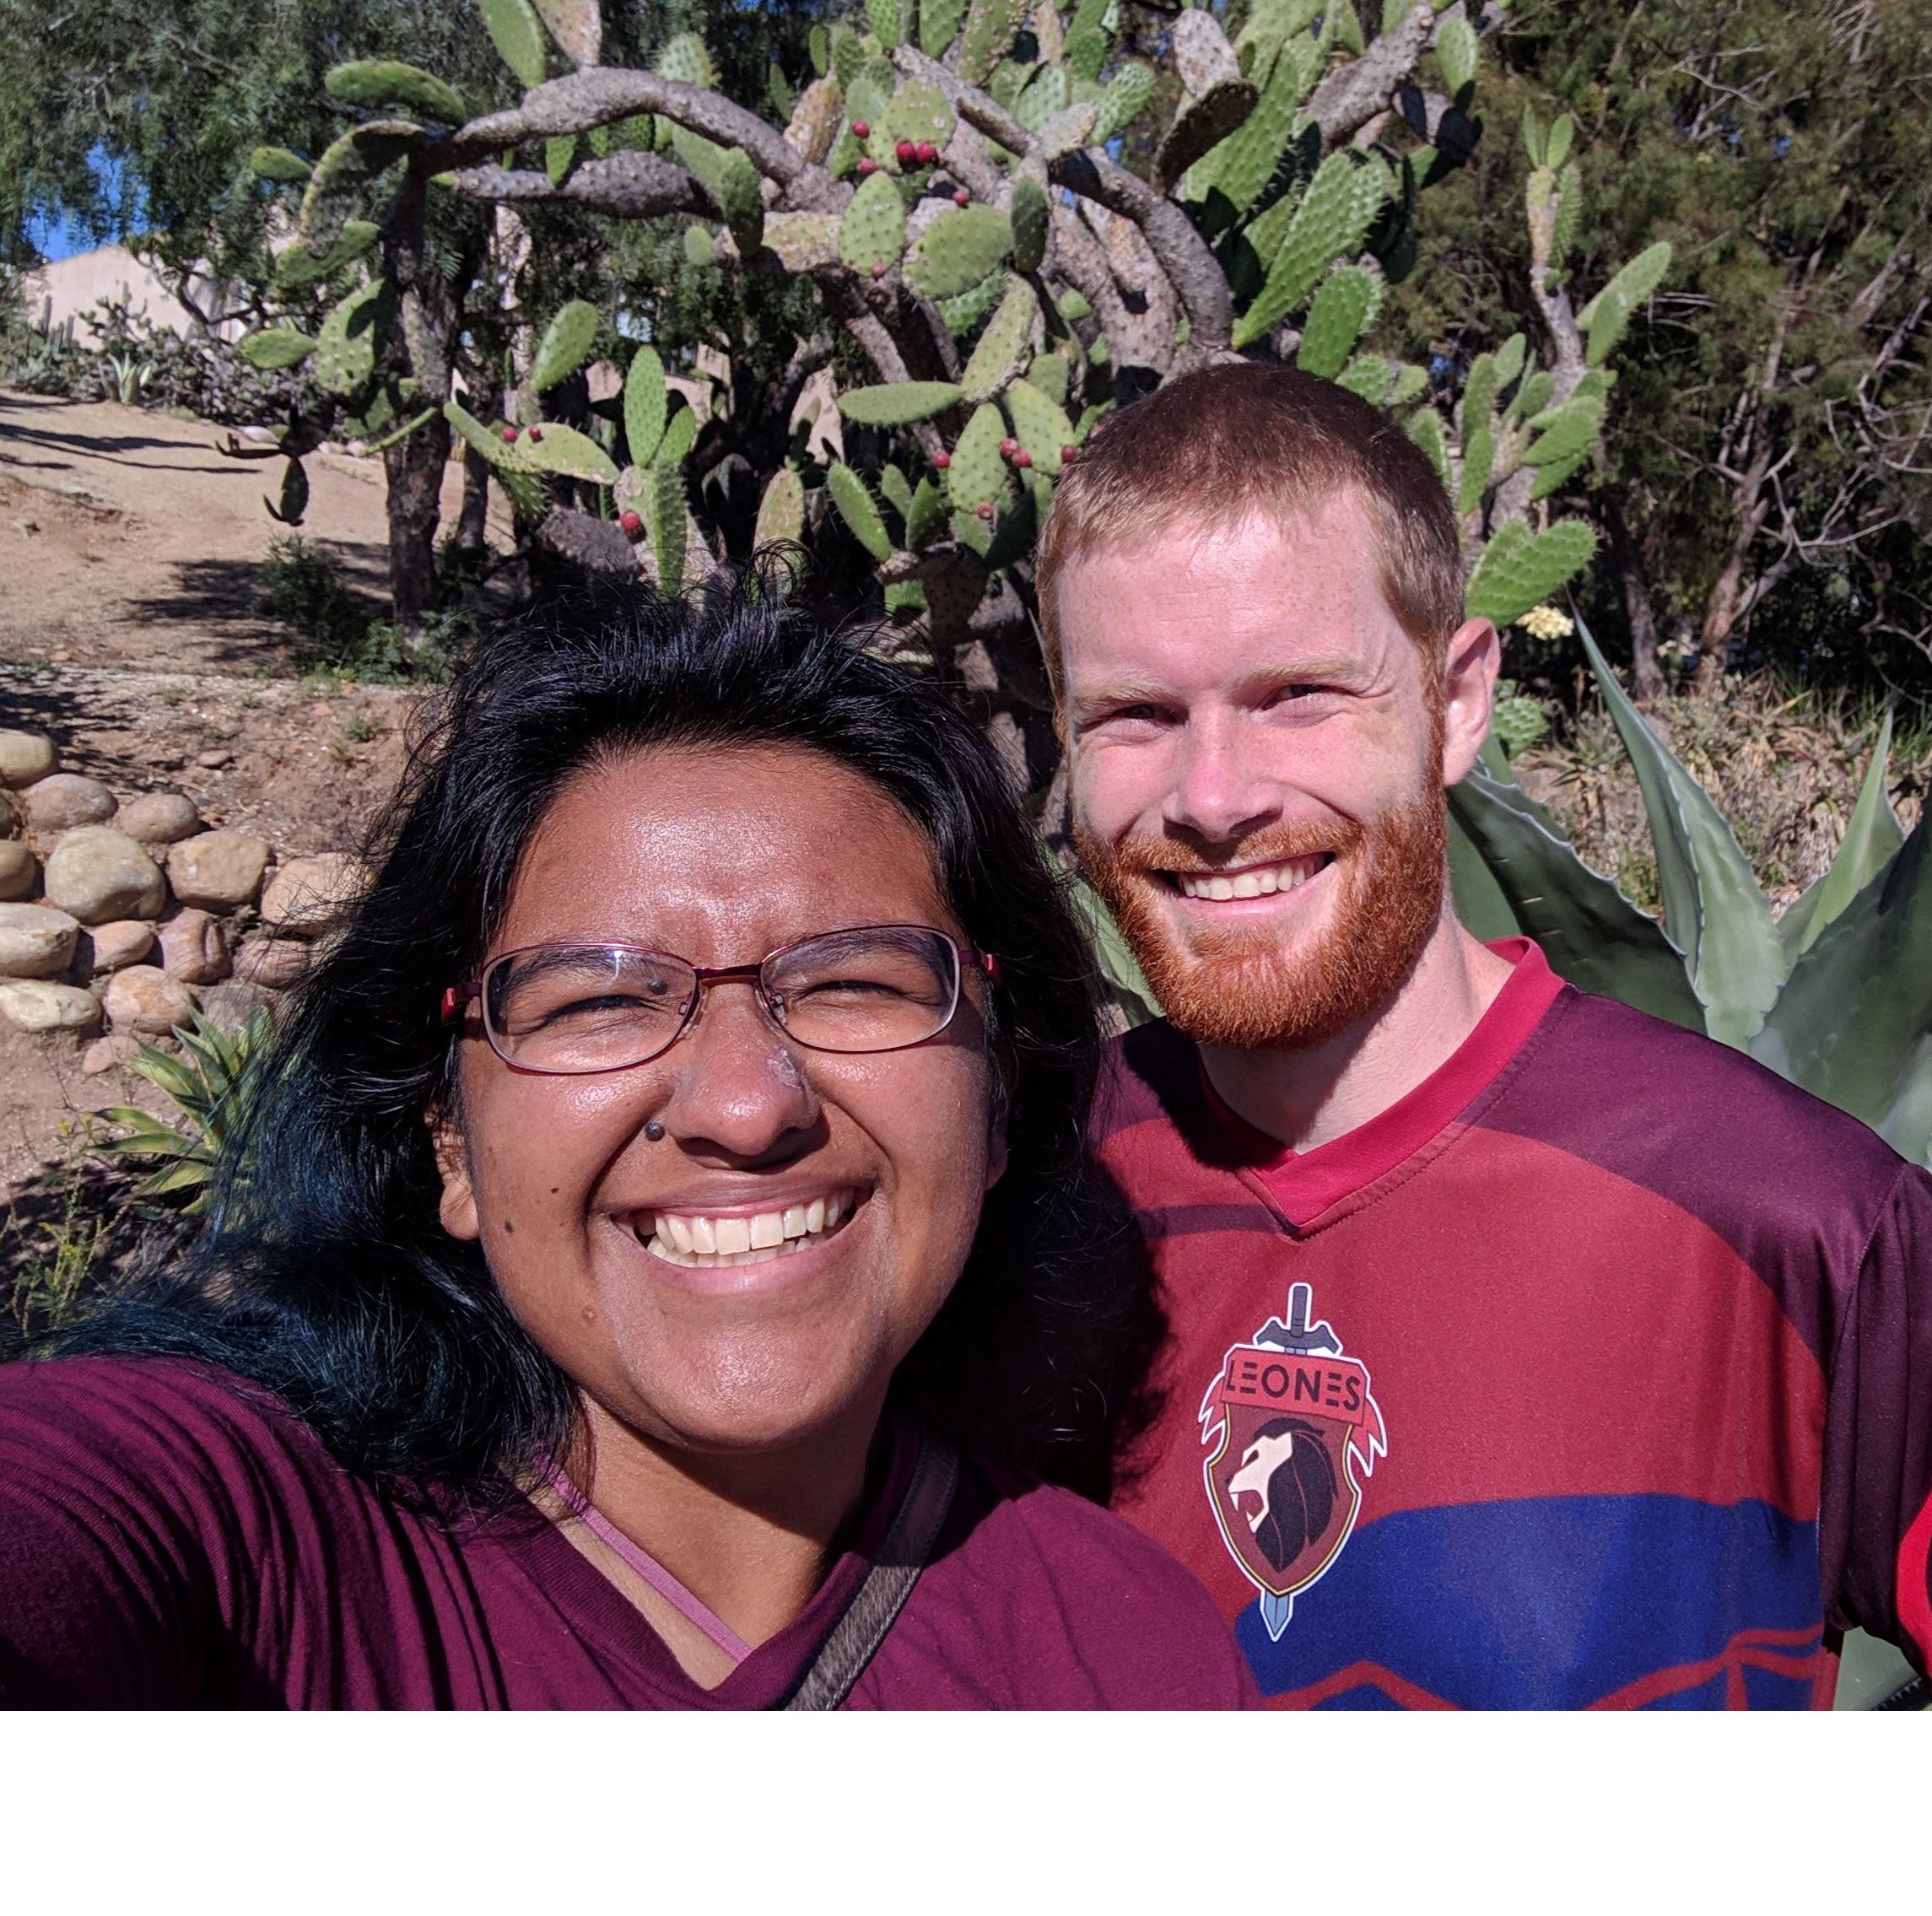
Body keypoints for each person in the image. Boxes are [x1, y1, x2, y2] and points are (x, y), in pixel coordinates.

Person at [1037, 362, 1932, 1711]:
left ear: (1458, 698)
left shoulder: (1799, 1221)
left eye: (1298, 693)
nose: (1212, 794)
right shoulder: (1016, 1201)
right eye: (1136, 715)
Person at [0, 575, 1254, 1709]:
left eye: (857, 981)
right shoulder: (247, 1545)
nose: (746, 1104)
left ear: (994, 1098)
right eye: (597, 997)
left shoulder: (1123, 1656)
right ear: (448, 1141)